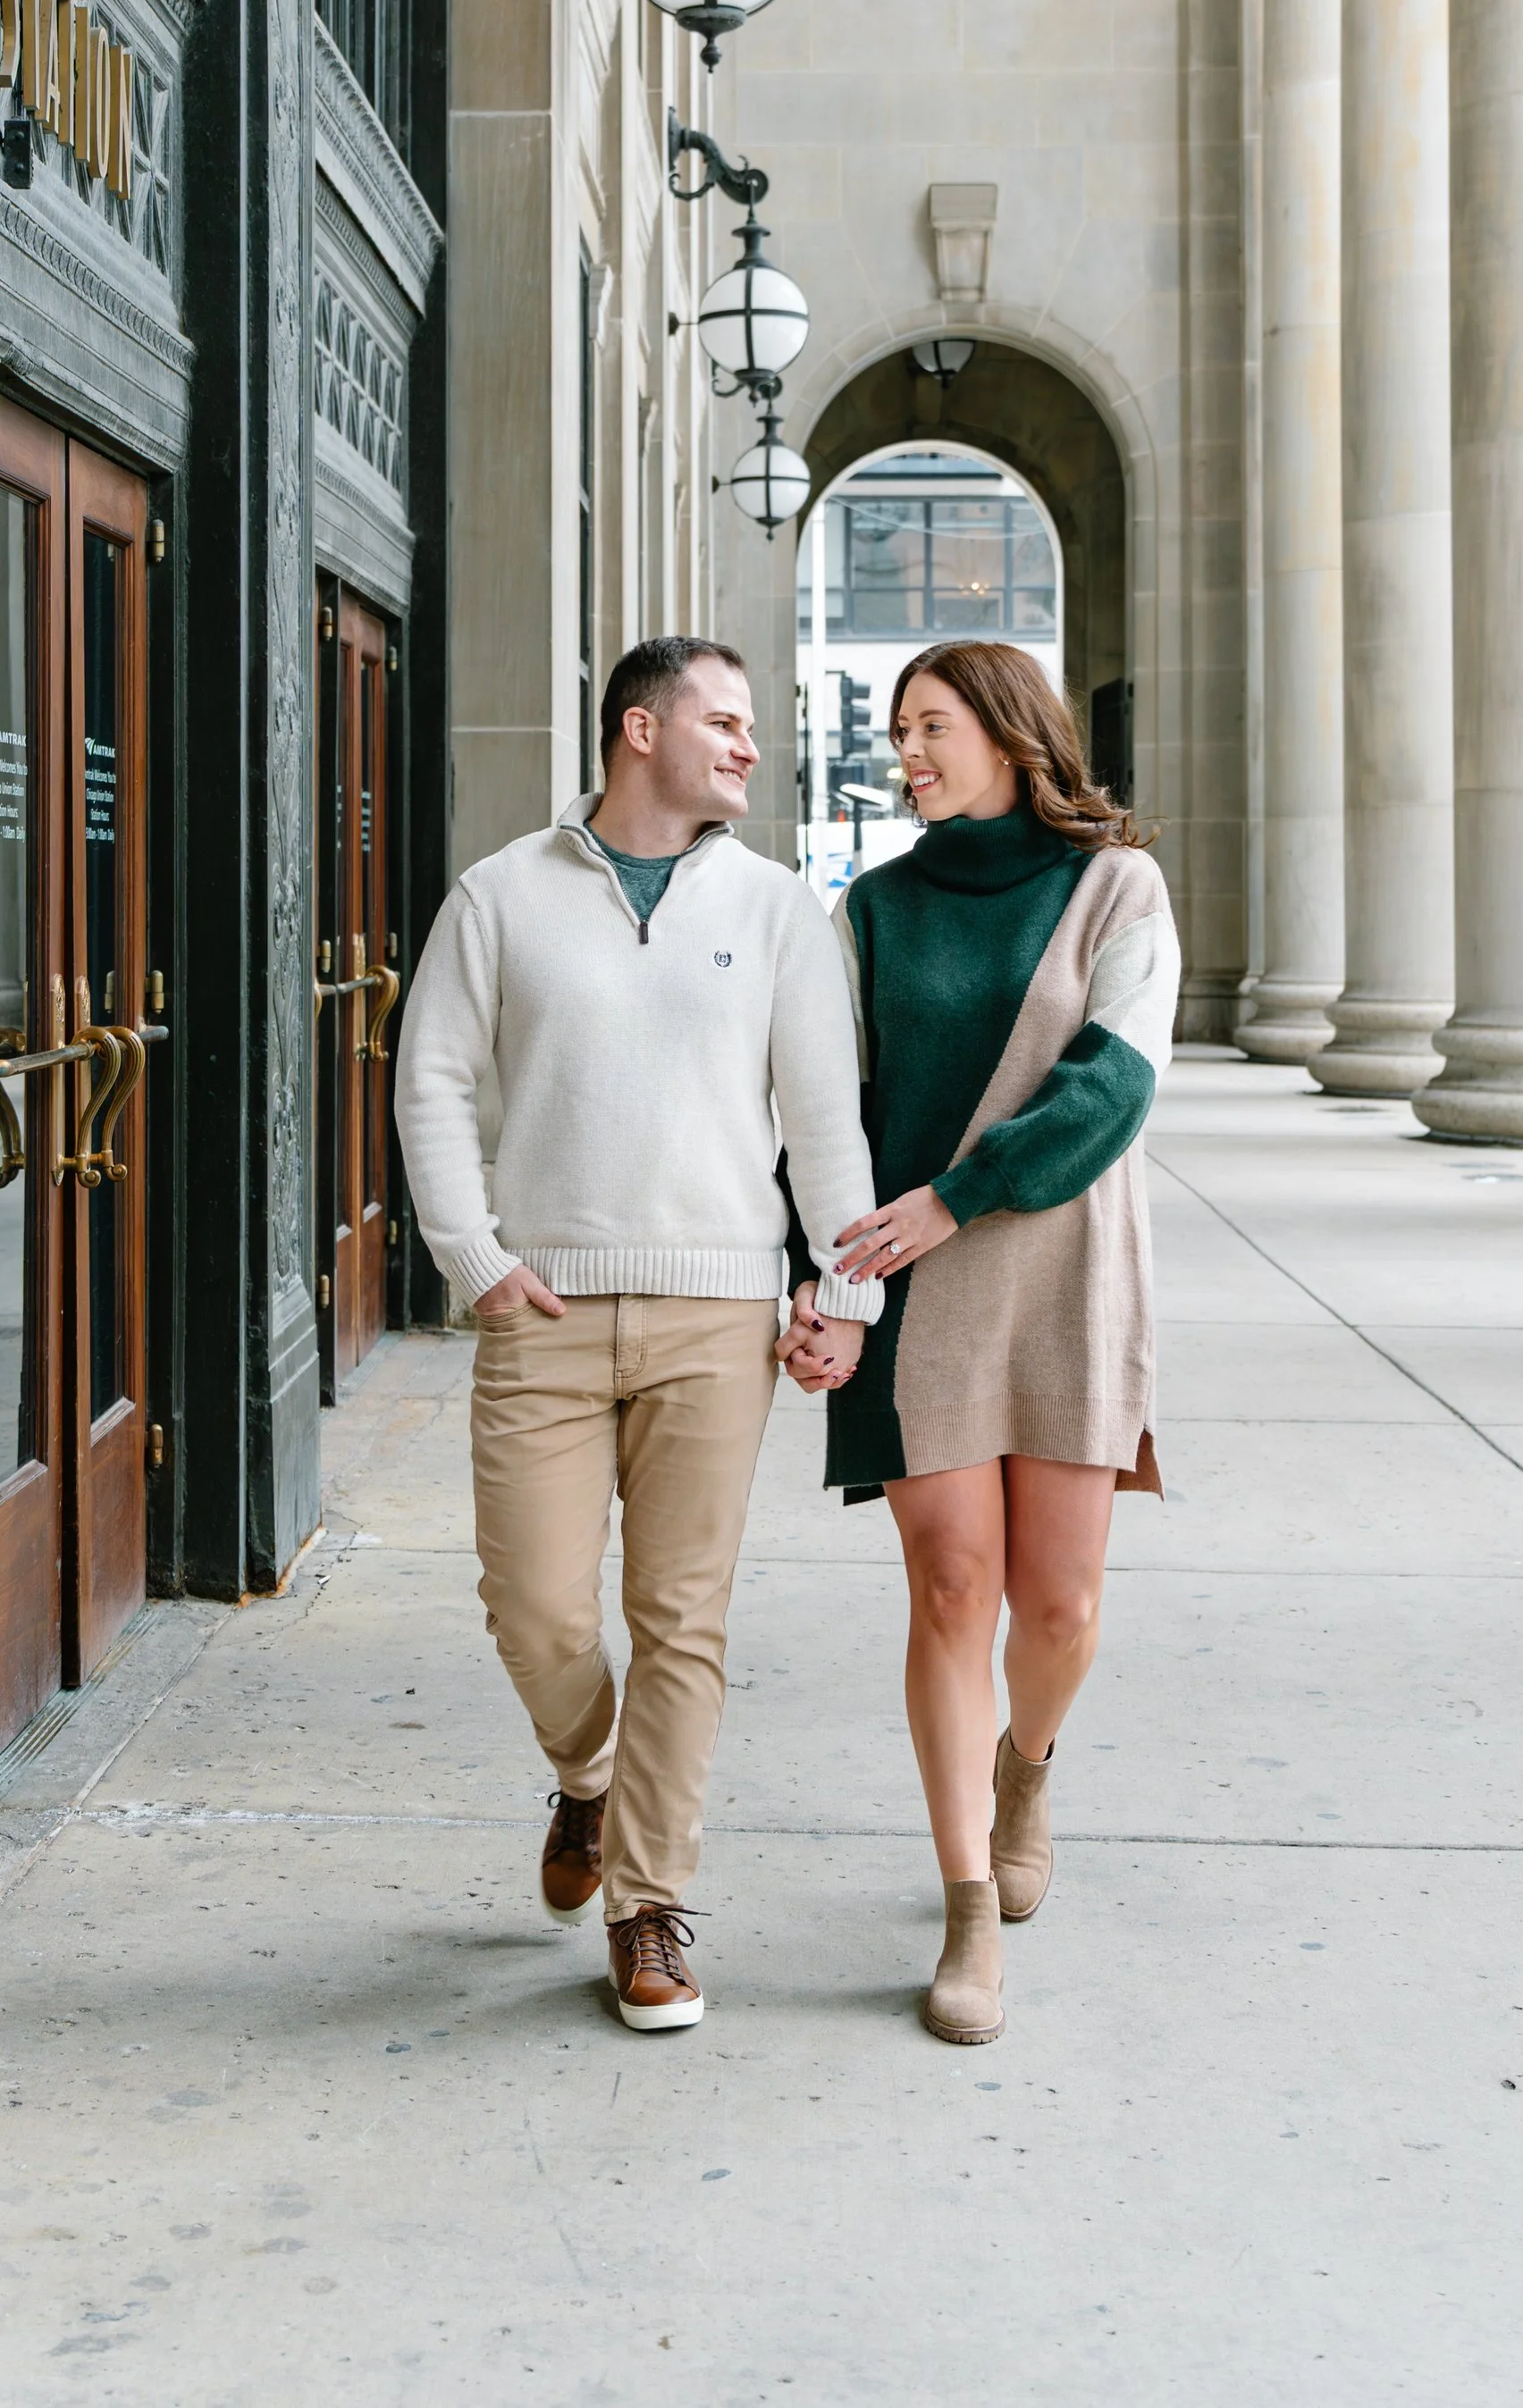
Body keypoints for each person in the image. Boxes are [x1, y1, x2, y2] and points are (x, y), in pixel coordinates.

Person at [394, 636, 877, 2032]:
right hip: (540, 1311)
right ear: (636, 729)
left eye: (750, 726)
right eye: (722, 721)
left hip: (718, 1314)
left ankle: (650, 1901)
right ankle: (586, 1773)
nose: (748, 745)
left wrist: (842, 1290)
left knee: (682, 1620)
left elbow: (823, 1119)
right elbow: (431, 1084)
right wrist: (473, 1257)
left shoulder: (782, 910)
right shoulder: (501, 896)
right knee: (536, 1607)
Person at [783, 640, 1179, 2045]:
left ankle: (1028, 1765)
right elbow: (819, 1112)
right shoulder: (870, 911)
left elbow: (1114, 1088)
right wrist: (819, 1283)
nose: (907, 752)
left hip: (1065, 1274)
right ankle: (964, 1909)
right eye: (898, 731)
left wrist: (955, 1194)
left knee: (1059, 1607)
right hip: (913, 1295)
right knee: (953, 1588)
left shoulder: (1118, 886)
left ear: (1013, 733)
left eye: (931, 726)